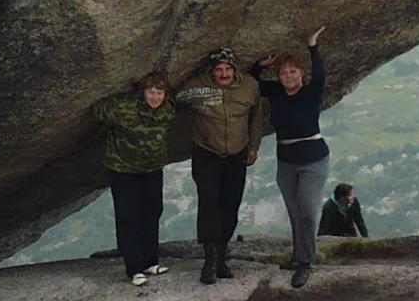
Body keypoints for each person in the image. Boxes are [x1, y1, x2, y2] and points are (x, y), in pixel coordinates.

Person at [171, 46, 268, 284]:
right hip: (206, 154)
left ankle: (222, 257)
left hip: (237, 154)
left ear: (234, 69)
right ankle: (210, 261)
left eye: (228, 69)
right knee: (209, 204)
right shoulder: (195, 87)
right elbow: (171, 101)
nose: (224, 74)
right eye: (219, 70)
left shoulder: (250, 87)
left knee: (230, 205)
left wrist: (254, 146)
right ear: (211, 71)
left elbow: (256, 117)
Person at [257, 27, 332, 287]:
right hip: (286, 162)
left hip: (314, 161)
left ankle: (306, 262)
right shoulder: (276, 92)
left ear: (302, 74)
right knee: (294, 210)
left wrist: (312, 45)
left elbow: (321, 73)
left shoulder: (311, 92)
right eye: (283, 72)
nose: (287, 76)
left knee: (308, 210)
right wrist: (260, 65)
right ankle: (298, 256)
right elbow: (252, 83)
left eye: (292, 71)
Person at [90, 72, 176, 287]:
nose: (155, 97)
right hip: (123, 170)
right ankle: (134, 268)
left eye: (159, 92)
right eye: (151, 92)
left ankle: (150, 262)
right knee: (129, 217)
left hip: (152, 169)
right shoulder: (124, 107)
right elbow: (97, 110)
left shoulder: (168, 110)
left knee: (152, 212)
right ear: (142, 92)